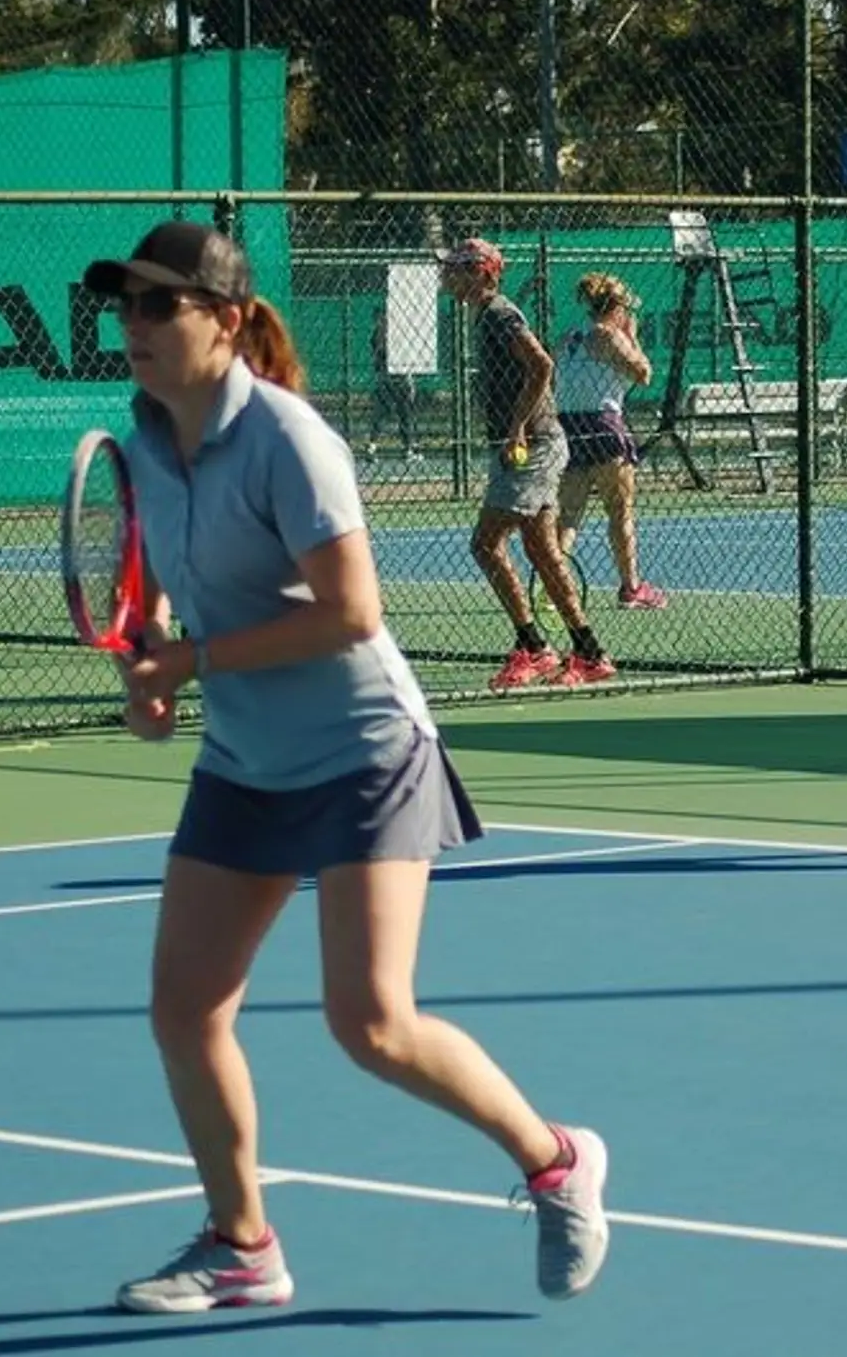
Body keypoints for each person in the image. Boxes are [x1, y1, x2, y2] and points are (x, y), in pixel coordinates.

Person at [81, 220, 611, 1312]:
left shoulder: (288, 439)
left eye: (157, 305)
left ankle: (556, 1160)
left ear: (224, 320)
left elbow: (349, 612)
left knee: (371, 1023)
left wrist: (192, 655)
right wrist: (160, 676)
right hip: (246, 757)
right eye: (122, 304)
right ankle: (243, 1247)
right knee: (185, 1008)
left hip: (366, 750)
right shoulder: (143, 447)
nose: (131, 324)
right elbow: (182, 603)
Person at [438, 237, 614, 690]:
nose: (447, 274)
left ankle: (534, 648)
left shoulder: (500, 314)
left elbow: (541, 364)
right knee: (542, 551)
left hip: (533, 445)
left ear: (483, 272)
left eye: (457, 267)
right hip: (526, 445)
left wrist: (517, 426)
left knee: (485, 543)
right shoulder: (485, 316)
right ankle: (589, 652)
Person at [553, 271, 665, 609]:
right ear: (616, 307)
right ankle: (631, 587)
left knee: (569, 513)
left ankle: (552, 586)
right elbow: (644, 374)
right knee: (620, 511)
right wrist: (633, 338)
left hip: (569, 426)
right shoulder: (610, 336)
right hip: (603, 425)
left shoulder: (569, 338)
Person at [363, 303, 419, 462]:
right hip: (392, 378)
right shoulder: (382, 336)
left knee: (399, 413)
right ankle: (375, 447)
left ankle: (406, 449)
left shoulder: (390, 335)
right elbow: (383, 356)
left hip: (390, 377)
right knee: (392, 413)